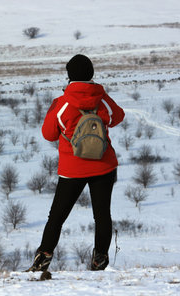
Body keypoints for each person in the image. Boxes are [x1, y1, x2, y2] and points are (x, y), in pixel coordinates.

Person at [27, 54, 125, 272]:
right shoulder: (102, 99)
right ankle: (99, 260)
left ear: (69, 75)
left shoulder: (62, 104)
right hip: (103, 166)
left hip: (73, 170)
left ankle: (42, 259)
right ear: (91, 73)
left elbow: (49, 134)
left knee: (57, 217)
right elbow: (118, 117)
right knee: (102, 215)